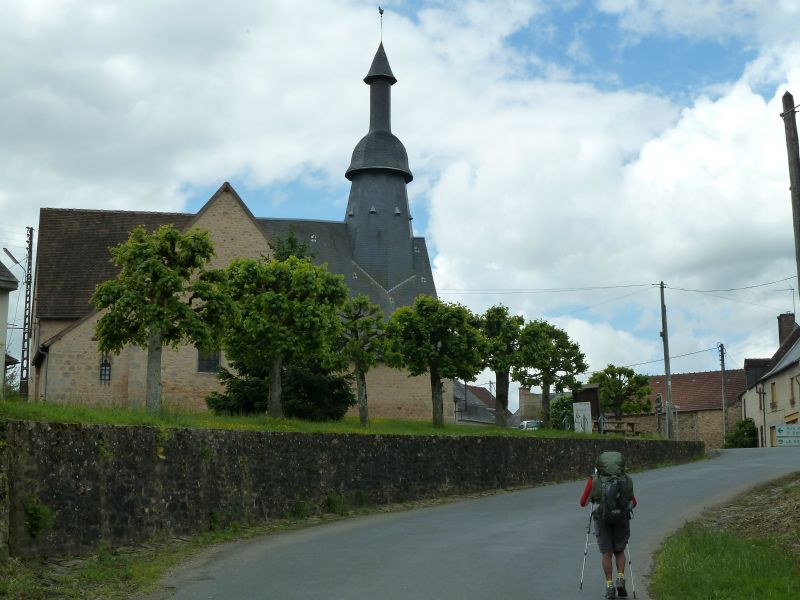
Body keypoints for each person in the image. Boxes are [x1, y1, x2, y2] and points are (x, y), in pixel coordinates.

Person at [579, 451, 637, 599]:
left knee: (607, 553)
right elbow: (633, 502)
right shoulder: (625, 479)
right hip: (621, 519)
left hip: (603, 519)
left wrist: (595, 498)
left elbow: (582, 503)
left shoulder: (595, 480)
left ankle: (610, 586)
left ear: (599, 465)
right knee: (620, 551)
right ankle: (621, 578)